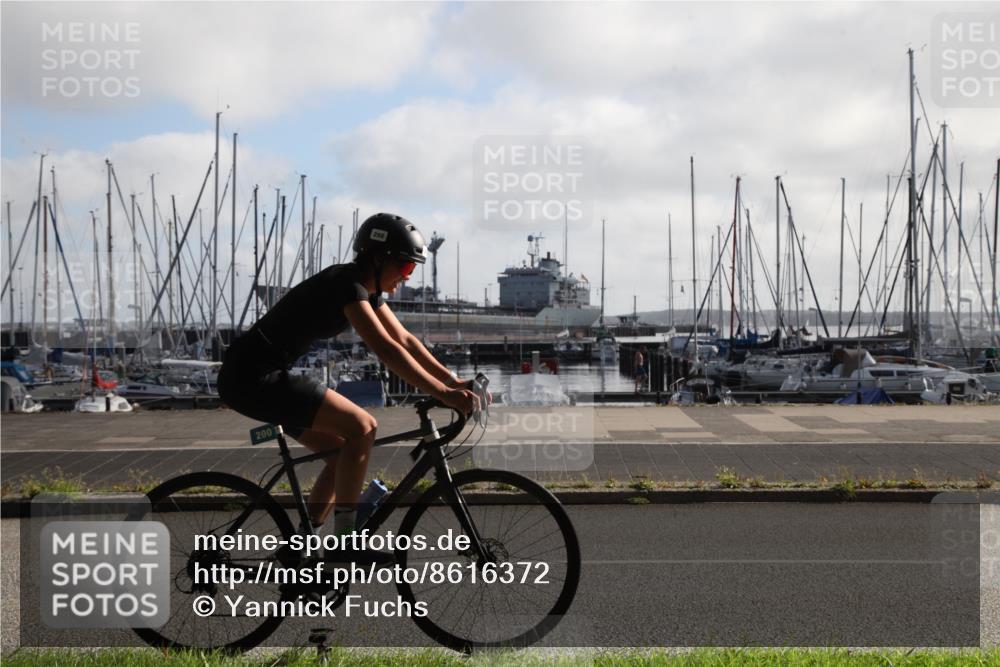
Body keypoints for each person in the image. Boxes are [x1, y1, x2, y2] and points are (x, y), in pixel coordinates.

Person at [217, 213, 480, 545]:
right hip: (252, 377)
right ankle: (346, 539)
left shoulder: (366, 291)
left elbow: (405, 341)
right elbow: (385, 349)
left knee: (342, 454)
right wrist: (442, 393)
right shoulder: (347, 285)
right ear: (377, 258)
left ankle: (302, 548)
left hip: (259, 374)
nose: (406, 278)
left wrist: (453, 382)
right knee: (363, 426)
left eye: (411, 270)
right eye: (405, 268)